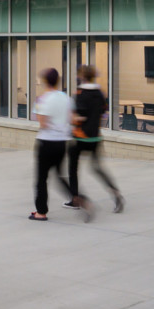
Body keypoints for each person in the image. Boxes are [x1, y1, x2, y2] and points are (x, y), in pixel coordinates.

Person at [30, 67, 89, 222]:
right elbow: (73, 119)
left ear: (44, 81)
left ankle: (41, 212)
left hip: (46, 142)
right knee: (58, 174)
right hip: (62, 143)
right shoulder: (66, 98)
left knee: (41, 179)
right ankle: (78, 198)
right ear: (57, 81)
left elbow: (42, 123)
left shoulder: (42, 99)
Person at [67, 65, 124, 213]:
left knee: (72, 169)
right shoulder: (100, 93)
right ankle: (116, 194)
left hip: (80, 137)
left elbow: (81, 116)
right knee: (97, 168)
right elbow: (103, 112)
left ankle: (76, 199)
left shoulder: (80, 93)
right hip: (95, 137)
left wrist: (73, 119)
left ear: (82, 77)